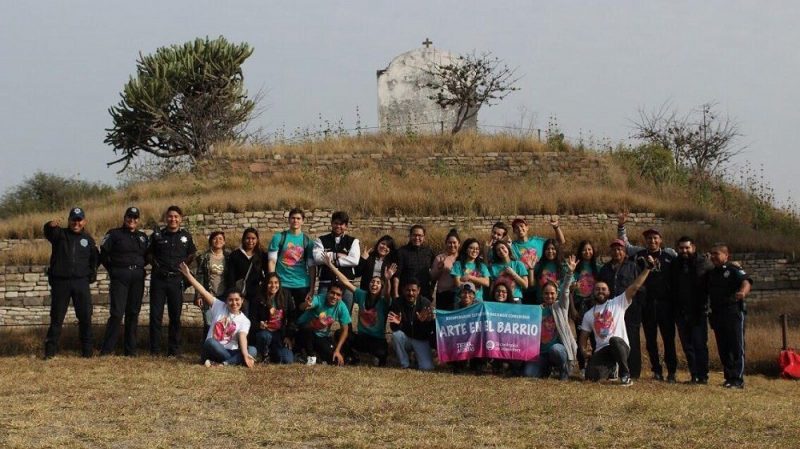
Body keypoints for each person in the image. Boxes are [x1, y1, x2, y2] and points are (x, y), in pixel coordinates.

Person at [617, 212, 678, 382]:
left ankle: (672, 372)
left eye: (655, 238)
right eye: (649, 238)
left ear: (660, 240)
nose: (652, 241)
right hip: (646, 304)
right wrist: (621, 226)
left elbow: (686, 259)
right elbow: (625, 245)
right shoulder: (639, 253)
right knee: (650, 340)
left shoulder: (669, 255)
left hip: (665, 304)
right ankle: (656, 370)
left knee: (668, 339)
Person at [578, 255, 656, 386]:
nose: (600, 291)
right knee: (591, 376)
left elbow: (635, 286)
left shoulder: (618, 302)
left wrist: (647, 269)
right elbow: (583, 337)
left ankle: (625, 375)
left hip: (620, 346)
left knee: (613, 340)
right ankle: (612, 369)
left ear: (609, 292)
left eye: (604, 289)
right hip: (602, 350)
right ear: (593, 292)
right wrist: (583, 350)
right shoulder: (588, 314)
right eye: (597, 289)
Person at [43, 207, 98, 359]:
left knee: (85, 316)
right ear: (69, 220)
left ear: (84, 221)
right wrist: (50, 225)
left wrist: (90, 273)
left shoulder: (88, 240)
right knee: (57, 317)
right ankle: (50, 352)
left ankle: (87, 352)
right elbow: (48, 232)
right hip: (61, 282)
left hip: (81, 282)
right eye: (73, 220)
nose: (76, 223)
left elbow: (95, 258)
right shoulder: (59, 235)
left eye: (79, 220)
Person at [177, 262, 256, 368]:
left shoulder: (245, 320)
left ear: (242, 300)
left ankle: (223, 364)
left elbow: (242, 337)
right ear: (226, 301)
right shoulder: (219, 306)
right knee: (210, 342)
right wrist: (188, 275)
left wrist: (245, 354)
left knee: (252, 350)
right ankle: (234, 361)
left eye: (237, 300)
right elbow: (203, 291)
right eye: (231, 300)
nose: (234, 303)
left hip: (229, 351)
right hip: (213, 349)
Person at [322, 252, 396, 366]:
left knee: (382, 352)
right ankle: (352, 357)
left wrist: (387, 280)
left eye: (378, 283)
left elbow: (387, 293)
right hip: (362, 338)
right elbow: (345, 282)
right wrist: (330, 265)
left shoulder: (384, 300)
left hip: (377, 340)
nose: (374, 284)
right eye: (372, 282)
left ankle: (376, 358)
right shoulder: (362, 295)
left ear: (381, 287)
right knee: (339, 333)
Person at [99, 206, 150, 356]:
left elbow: (148, 256)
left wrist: (141, 267)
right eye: (129, 217)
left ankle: (130, 350)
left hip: (137, 278)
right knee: (117, 313)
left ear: (138, 220)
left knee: (133, 313)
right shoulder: (114, 234)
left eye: (135, 218)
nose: (132, 220)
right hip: (120, 276)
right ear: (124, 218)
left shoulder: (142, 237)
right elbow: (103, 254)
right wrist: (113, 270)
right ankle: (107, 349)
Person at [148, 205, 197, 357]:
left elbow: (192, 254)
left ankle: (174, 350)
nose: (173, 219)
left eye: (176, 216)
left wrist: (183, 267)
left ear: (180, 219)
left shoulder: (186, 237)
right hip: (159, 280)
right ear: (166, 218)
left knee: (175, 316)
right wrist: (157, 266)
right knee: (156, 315)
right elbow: (148, 254)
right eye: (170, 216)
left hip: (176, 280)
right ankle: (155, 350)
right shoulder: (157, 235)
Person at [704, 244, 752, 389]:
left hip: (733, 312)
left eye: (717, 254)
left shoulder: (733, 269)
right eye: (712, 254)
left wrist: (743, 293)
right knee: (723, 347)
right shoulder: (711, 273)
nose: (713, 257)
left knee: (736, 345)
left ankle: (738, 379)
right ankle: (729, 377)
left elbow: (746, 282)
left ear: (726, 255)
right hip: (717, 313)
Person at [524, 255, 579, 380]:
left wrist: (570, 272)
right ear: (542, 295)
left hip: (557, 349)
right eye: (546, 293)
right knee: (528, 373)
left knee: (555, 350)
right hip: (541, 353)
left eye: (552, 293)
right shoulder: (537, 310)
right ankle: (546, 369)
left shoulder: (561, 306)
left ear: (557, 294)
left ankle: (564, 370)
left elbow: (565, 290)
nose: (549, 296)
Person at [597, 239, 644, 379]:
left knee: (632, 340)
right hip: (611, 313)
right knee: (612, 340)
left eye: (620, 249)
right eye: (614, 249)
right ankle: (613, 370)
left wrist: (639, 306)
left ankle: (634, 373)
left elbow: (640, 288)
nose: (617, 252)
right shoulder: (605, 269)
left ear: (625, 252)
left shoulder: (633, 267)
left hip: (631, 310)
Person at [671, 236, 714, 384]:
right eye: (681, 248)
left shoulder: (704, 263)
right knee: (687, 346)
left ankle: (703, 376)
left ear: (693, 248)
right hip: (681, 312)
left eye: (687, 248)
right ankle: (694, 375)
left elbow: (715, 278)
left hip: (699, 311)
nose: (684, 251)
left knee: (700, 344)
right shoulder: (675, 264)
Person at [267, 208, 316, 309]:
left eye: (298, 218)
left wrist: (312, 289)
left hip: (302, 284)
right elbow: (272, 261)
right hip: (282, 283)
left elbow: (312, 267)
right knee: (282, 313)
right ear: (289, 219)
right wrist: (272, 283)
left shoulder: (308, 241)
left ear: (303, 221)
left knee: (302, 313)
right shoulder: (278, 238)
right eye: (293, 218)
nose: (295, 220)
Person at [312, 211, 361, 312]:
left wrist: (333, 261)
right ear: (331, 223)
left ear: (346, 226)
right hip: (326, 282)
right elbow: (317, 258)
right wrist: (336, 255)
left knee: (346, 314)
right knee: (322, 313)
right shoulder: (320, 240)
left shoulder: (353, 241)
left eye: (341, 224)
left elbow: (354, 260)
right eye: (336, 223)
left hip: (347, 284)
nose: (338, 226)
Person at [509, 217, 565, 303]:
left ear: (527, 227)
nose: (520, 229)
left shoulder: (538, 241)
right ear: (514, 231)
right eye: (516, 227)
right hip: (523, 287)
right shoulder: (512, 246)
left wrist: (556, 227)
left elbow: (560, 242)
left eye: (522, 226)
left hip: (540, 287)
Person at [296, 282, 351, 366]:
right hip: (304, 331)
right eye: (332, 293)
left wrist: (337, 350)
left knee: (335, 360)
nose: (334, 296)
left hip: (321, 336)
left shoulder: (342, 307)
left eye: (338, 295)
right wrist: (307, 304)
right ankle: (310, 355)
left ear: (341, 297)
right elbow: (302, 307)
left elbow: (345, 330)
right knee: (307, 329)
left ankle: (315, 356)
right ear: (327, 292)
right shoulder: (319, 299)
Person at [388, 278, 435, 371]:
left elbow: (430, 330)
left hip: (421, 339)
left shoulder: (425, 303)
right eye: (408, 290)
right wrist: (399, 324)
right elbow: (393, 327)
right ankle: (405, 364)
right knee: (396, 335)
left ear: (418, 290)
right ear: (403, 290)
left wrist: (424, 322)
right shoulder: (397, 303)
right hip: (406, 338)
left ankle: (417, 358)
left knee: (427, 367)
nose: (410, 293)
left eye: (413, 290)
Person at [249, 272, 295, 364]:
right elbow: (251, 320)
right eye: (270, 283)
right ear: (265, 283)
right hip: (264, 333)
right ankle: (263, 354)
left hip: (279, 334)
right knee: (265, 336)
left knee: (287, 360)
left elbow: (292, 317)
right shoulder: (258, 297)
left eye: (276, 282)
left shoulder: (285, 294)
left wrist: (288, 336)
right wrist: (259, 325)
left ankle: (272, 353)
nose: (273, 285)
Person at [570, 240, 601, 371]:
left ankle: (595, 366)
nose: (587, 252)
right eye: (584, 250)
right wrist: (572, 309)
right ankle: (582, 367)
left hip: (594, 306)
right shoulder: (575, 267)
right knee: (580, 337)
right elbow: (569, 291)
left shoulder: (598, 267)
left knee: (595, 337)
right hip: (579, 305)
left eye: (589, 249)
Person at [194, 231, 229, 339]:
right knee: (209, 323)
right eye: (215, 238)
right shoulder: (204, 257)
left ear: (224, 242)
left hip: (224, 295)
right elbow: (199, 277)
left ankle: (220, 346)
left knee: (223, 323)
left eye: (220, 239)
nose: (218, 241)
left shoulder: (229, 257)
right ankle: (207, 346)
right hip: (208, 295)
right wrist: (198, 295)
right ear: (210, 241)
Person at [224, 228, 264, 313]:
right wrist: (233, 294)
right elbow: (231, 276)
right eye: (248, 238)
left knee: (254, 318)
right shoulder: (235, 255)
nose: (250, 241)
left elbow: (265, 274)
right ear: (243, 239)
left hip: (256, 294)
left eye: (253, 238)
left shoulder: (261, 255)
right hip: (240, 294)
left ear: (257, 240)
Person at [393, 224, 435, 299]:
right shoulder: (401, 252)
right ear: (410, 236)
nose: (417, 238)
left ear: (424, 237)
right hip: (406, 294)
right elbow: (397, 275)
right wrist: (396, 294)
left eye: (420, 236)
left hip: (424, 294)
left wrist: (432, 289)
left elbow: (434, 272)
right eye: (414, 235)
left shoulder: (428, 252)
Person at [450, 238, 491, 303]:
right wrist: (479, 281)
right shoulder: (458, 264)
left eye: (477, 249)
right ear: (466, 250)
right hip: (461, 300)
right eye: (471, 248)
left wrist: (470, 277)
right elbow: (458, 283)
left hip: (477, 300)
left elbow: (487, 283)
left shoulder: (482, 266)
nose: (475, 251)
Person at [430, 229, 460, 311]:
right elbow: (432, 277)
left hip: (460, 294)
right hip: (443, 294)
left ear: (459, 244)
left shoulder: (462, 258)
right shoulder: (440, 258)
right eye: (449, 243)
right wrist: (439, 268)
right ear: (446, 243)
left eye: (454, 242)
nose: (452, 245)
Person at [531, 238, 564, 304]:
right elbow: (532, 284)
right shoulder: (539, 265)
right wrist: (531, 268)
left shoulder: (562, 266)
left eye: (553, 249)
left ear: (557, 250)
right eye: (547, 249)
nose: (550, 251)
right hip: (541, 303)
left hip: (558, 304)